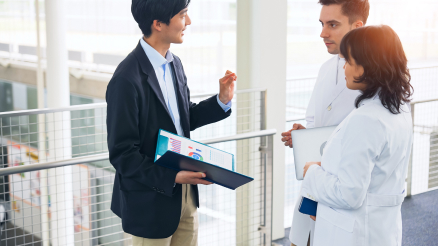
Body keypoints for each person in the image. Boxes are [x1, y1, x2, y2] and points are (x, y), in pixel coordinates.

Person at [105, 0, 237, 245]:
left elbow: (183, 119)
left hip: (185, 197)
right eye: (182, 15)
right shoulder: (125, 79)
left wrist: (221, 101)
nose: (188, 22)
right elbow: (123, 154)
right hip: (151, 201)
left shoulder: (174, 64)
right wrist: (172, 177)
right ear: (158, 24)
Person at [302, 25, 413, 246]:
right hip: (379, 229)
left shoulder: (366, 119)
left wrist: (312, 172)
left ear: (369, 66)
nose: (344, 68)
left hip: (352, 234)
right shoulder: (398, 108)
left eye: (349, 61)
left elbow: (349, 194)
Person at [281, 0, 370, 245]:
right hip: (315, 182)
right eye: (322, 24)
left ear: (357, 26)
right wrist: (304, 136)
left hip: (340, 195)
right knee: (301, 240)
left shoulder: (372, 81)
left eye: (332, 24)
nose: (323, 33)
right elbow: (319, 123)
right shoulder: (325, 68)